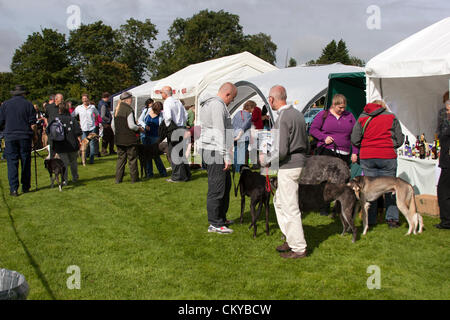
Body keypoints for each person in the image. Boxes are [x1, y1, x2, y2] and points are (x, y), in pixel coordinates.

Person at [259, 85, 309, 259]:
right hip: (299, 162)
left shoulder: (283, 118)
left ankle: (299, 247)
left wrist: (265, 160)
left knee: (289, 207)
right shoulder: (298, 114)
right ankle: (290, 237)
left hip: (289, 165)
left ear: (272, 99)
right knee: (279, 202)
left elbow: (281, 151)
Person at [351, 100, 404, 229]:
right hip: (387, 156)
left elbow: (354, 139)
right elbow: (400, 139)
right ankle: (392, 219)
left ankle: (371, 219)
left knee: (369, 190)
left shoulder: (363, 117)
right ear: (383, 107)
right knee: (390, 189)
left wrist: (365, 147)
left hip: (368, 156)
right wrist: (390, 146)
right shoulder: (391, 117)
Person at [309, 94, 359, 215]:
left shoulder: (349, 116)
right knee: (326, 180)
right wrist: (323, 137)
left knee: (341, 181)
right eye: (340, 107)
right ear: (334, 105)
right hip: (328, 151)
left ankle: (338, 208)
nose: (342, 110)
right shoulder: (323, 115)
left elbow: (355, 135)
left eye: (344, 107)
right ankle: (324, 206)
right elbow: (313, 129)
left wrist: (355, 152)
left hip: (344, 153)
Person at [199, 82, 236, 234]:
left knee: (225, 185)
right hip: (214, 151)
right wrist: (226, 155)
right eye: (232, 98)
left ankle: (221, 217)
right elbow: (219, 132)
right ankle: (214, 223)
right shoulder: (217, 105)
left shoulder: (212, 104)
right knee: (217, 188)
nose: (232, 101)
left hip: (213, 149)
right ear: (227, 94)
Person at [0, 85, 36, 196]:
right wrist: (35, 136)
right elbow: (33, 124)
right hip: (24, 135)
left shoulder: (5, 104)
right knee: (25, 161)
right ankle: (25, 186)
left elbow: (1, 121)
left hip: (10, 136)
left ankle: (14, 188)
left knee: (12, 162)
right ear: (23, 93)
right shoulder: (29, 104)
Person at [111, 91, 144, 184]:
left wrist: (117, 134)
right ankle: (134, 179)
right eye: (131, 98)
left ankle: (118, 179)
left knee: (121, 160)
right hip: (129, 139)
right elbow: (131, 125)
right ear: (127, 99)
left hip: (119, 139)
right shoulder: (128, 109)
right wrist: (139, 128)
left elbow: (112, 126)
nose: (132, 100)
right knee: (132, 159)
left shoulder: (116, 110)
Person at [161, 86, 191, 182]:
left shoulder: (167, 102)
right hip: (182, 128)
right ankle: (186, 174)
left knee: (174, 153)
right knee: (181, 153)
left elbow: (168, 117)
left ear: (165, 94)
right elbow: (185, 115)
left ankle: (177, 177)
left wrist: (167, 127)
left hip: (174, 129)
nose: (161, 94)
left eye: (161, 93)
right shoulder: (178, 101)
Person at [53, 102, 82, 184]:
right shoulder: (73, 119)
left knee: (63, 163)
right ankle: (75, 177)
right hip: (72, 144)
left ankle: (64, 180)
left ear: (60, 110)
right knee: (73, 162)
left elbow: (52, 133)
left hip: (61, 145)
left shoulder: (56, 120)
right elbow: (78, 132)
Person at [142, 101, 167, 178]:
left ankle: (163, 172)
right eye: (157, 111)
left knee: (156, 156)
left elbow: (163, 125)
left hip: (156, 137)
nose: (158, 112)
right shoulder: (146, 111)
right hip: (145, 136)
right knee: (147, 156)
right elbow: (140, 120)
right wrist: (145, 125)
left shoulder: (162, 115)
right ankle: (149, 173)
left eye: (159, 111)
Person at [72, 94, 99, 164]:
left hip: (92, 128)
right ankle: (84, 159)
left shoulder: (92, 107)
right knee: (84, 145)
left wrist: (95, 122)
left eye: (85, 99)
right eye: (83, 99)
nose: (84, 100)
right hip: (83, 128)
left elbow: (97, 114)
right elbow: (72, 115)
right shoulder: (79, 108)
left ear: (88, 99)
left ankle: (91, 159)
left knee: (92, 145)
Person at [436, 123, 450, 229]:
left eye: (448, 109)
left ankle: (446, 221)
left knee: (443, 191)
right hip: (446, 161)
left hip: (448, 163)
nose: (447, 112)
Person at [232, 100, 253, 173]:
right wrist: (239, 136)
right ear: (251, 107)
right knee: (241, 155)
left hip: (234, 135)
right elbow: (244, 127)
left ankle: (234, 169)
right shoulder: (249, 116)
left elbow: (232, 124)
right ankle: (239, 170)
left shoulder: (238, 113)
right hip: (243, 137)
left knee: (236, 153)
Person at [45, 93, 63, 158]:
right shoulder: (49, 107)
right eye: (61, 99)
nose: (62, 100)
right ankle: (52, 162)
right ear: (56, 99)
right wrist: (47, 124)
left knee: (60, 146)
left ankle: (61, 162)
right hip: (51, 130)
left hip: (60, 130)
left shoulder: (62, 107)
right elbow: (46, 117)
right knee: (52, 146)